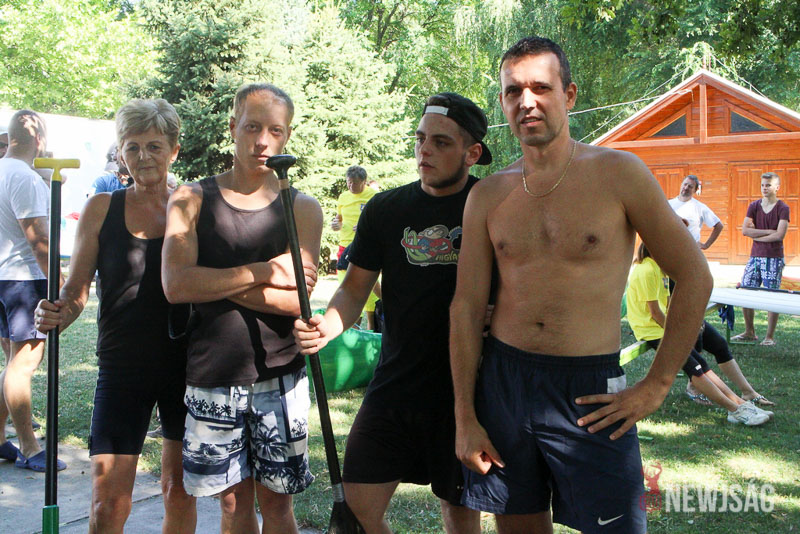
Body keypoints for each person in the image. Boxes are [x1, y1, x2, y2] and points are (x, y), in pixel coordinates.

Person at [449, 37, 713, 534]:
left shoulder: (619, 174)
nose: (527, 101)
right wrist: (466, 415)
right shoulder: (488, 195)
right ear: (502, 102)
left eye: (541, 88)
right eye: (513, 91)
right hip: (505, 382)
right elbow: (465, 306)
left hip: (591, 389)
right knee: (518, 526)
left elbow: (695, 275)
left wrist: (656, 385)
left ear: (568, 95)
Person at [294, 92, 492, 534]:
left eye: (441, 142)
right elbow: (353, 289)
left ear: (472, 153)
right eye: (421, 139)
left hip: (469, 392)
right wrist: (327, 326)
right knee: (355, 517)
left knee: (460, 516)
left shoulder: (493, 204)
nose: (425, 151)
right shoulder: (385, 209)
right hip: (395, 385)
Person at [162, 83, 322, 534]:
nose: (262, 141)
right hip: (212, 373)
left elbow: (297, 300)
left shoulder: (302, 208)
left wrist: (211, 280)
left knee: (277, 503)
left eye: (275, 130)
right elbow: (176, 285)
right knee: (232, 503)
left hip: (280, 373)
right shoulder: (191, 199)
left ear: (287, 135)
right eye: (252, 127)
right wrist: (263, 271)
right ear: (233, 127)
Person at [34, 99, 196, 532]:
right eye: (132, 147)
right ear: (121, 153)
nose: (143, 157)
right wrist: (56, 313)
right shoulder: (101, 208)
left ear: (174, 150)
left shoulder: (192, 206)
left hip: (187, 364)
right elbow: (75, 290)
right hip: (123, 364)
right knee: (107, 502)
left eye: (154, 146)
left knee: (179, 490)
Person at [625, 242, 773, 426]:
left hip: (662, 328)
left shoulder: (659, 269)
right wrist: (678, 331)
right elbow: (655, 313)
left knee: (701, 365)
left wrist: (686, 323)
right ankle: (734, 409)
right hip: (652, 331)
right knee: (695, 369)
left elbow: (669, 305)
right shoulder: (647, 270)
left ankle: (740, 404)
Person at [0, 110, 65, 471]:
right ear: (39, 139)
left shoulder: (6, 170)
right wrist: (61, 285)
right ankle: (29, 446)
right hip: (24, 280)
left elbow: (60, 179)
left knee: (12, 363)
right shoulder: (22, 178)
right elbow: (39, 241)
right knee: (22, 365)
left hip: (4, 278)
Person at [731, 172, 790, 346]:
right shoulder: (754, 206)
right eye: (763, 185)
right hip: (755, 257)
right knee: (746, 289)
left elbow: (780, 235)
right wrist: (768, 232)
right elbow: (745, 230)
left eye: (768, 185)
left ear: (777, 187)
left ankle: (769, 337)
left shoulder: (783, 208)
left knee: (773, 295)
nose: (764, 188)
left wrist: (757, 236)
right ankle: (749, 332)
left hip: (773, 257)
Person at [331, 165, 379, 329]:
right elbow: (339, 219)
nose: (351, 186)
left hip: (365, 245)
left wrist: (365, 226)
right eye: (348, 182)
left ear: (364, 182)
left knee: (370, 293)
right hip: (345, 246)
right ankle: (352, 331)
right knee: (345, 289)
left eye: (355, 183)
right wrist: (336, 224)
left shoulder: (373, 196)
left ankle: (373, 330)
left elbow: (381, 220)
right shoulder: (343, 197)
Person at [668, 174, 724, 250]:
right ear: (681, 184)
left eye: (690, 186)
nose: (686, 188)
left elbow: (719, 225)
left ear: (695, 190)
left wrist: (706, 245)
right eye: (685, 184)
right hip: (670, 248)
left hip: (690, 250)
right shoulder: (668, 204)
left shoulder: (700, 207)